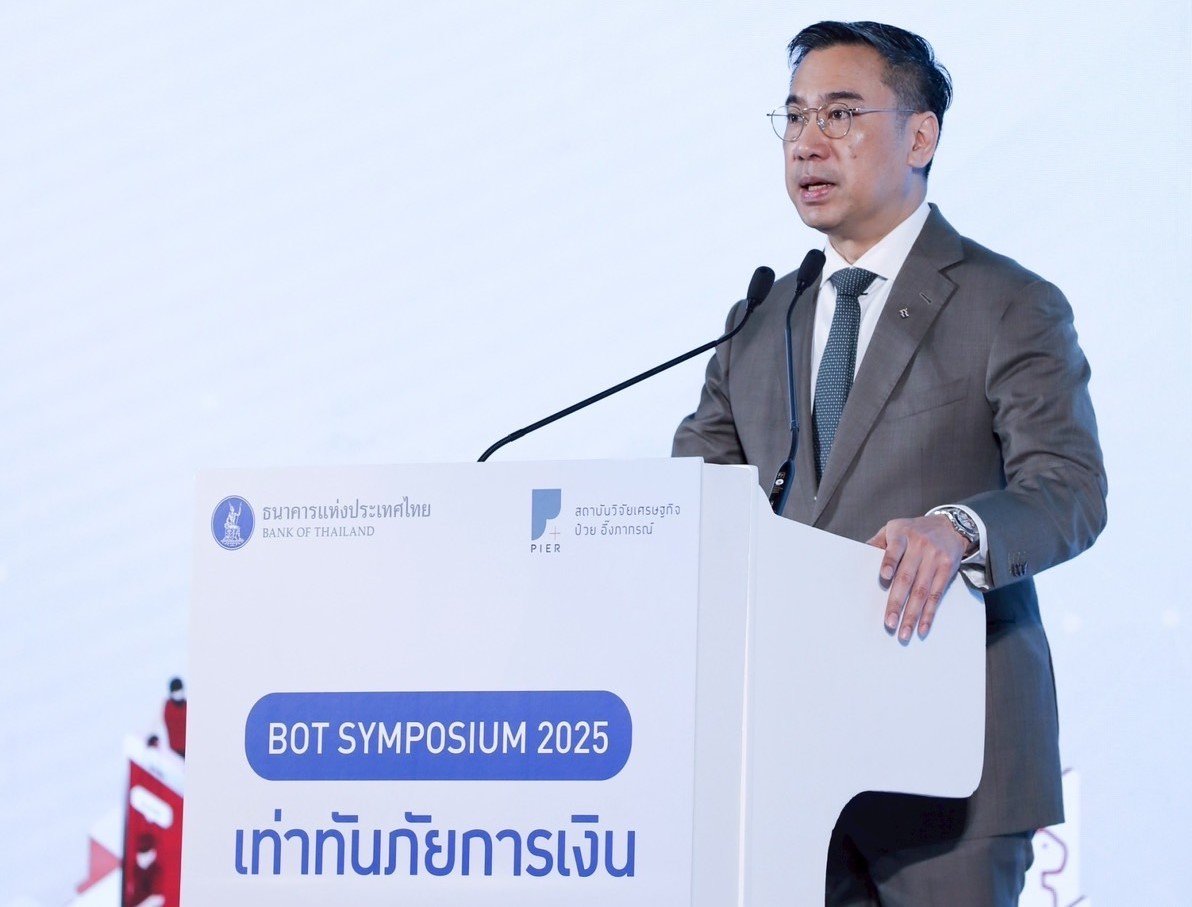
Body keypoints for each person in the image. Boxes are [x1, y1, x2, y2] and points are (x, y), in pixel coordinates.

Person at [672, 20, 1106, 904]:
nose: (807, 142)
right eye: (795, 117)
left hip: (952, 769)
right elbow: (694, 497)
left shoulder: (1008, 303)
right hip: (785, 766)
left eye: (840, 114)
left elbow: (1068, 487)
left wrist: (959, 529)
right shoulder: (762, 319)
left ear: (920, 136)